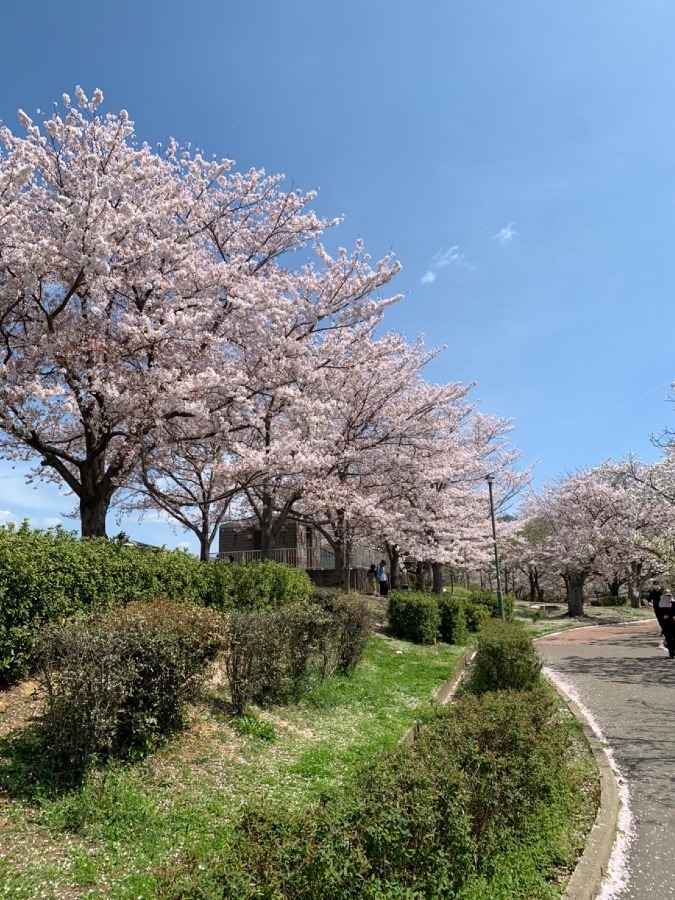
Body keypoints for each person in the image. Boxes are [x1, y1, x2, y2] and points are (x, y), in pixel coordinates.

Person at [659, 590, 675, 658]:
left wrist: (671, 616)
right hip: (665, 623)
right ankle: (671, 653)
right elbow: (660, 614)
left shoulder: (673, 602)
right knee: (668, 638)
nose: (668, 596)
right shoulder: (661, 603)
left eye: (669, 594)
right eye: (666, 594)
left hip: (673, 622)